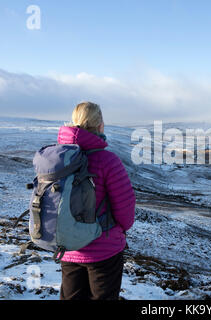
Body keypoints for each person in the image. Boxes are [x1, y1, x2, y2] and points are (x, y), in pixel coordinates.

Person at [57, 102, 136, 300]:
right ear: (100, 125)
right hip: (103, 250)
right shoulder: (108, 161)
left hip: (69, 247)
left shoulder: (59, 159)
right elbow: (125, 209)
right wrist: (123, 229)